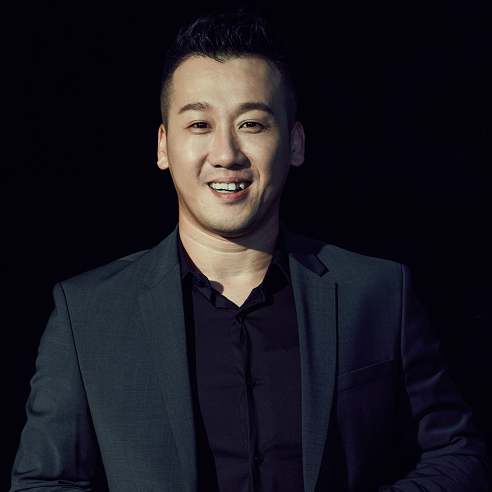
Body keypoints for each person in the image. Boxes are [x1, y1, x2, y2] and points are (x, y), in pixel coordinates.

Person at [10, 11, 490, 492]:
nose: (226, 153)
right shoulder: (87, 313)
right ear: (163, 146)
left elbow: (457, 455)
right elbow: (43, 484)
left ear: (295, 143)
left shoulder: (379, 293)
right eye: (200, 124)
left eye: (252, 124)